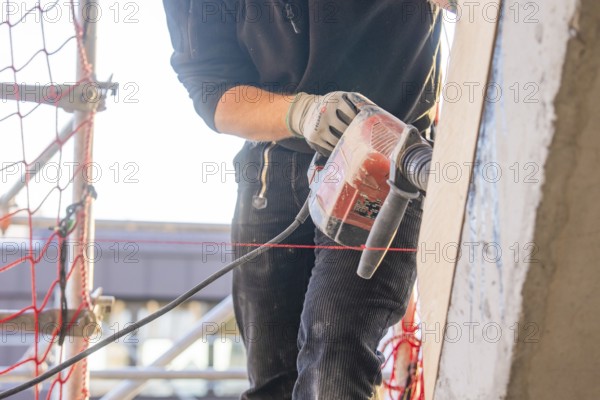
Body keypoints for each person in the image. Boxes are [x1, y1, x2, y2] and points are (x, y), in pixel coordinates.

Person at [163, 1, 443, 398]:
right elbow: (211, 88)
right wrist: (301, 112)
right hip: (273, 161)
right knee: (273, 379)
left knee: (335, 352)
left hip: (391, 153)